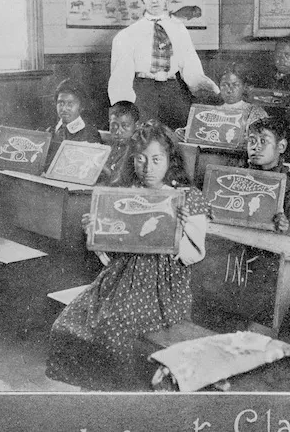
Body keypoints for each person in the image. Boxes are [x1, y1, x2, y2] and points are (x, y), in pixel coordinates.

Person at [46, 120, 211, 390]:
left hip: (163, 289)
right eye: (141, 160)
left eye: (157, 160)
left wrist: (179, 229)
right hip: (120, 280)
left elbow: (194, 255)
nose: (148, 168)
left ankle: (121, 397)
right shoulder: (125, 194)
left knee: (114, 332)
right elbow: (111, 255)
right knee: (67, 324)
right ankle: (97, 390)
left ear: (170, 160)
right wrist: (96, 231)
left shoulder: (186, 198)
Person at [107, 0, 219, 130]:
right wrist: (123, 103)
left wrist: (204, 85)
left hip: (172, 90)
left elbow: (190, 64)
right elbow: (121, 76)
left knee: (180, 131)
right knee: (144, 133)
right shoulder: (128, 35)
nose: (154, 0)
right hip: (143, 91)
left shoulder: (178, 28)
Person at [246, 116, 290, 240]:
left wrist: (286, 227)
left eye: (263, 141)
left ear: (281, 146)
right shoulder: (239, 175)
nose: (256, 147)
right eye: (252, 140)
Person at [176, 62, 268, 141]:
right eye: (224, 85)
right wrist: (184, 132)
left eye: (235, 85)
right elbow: (196, 129)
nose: (229, 90)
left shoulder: (254, 111)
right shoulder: (212, 110)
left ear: (244, 87)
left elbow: (262, 137)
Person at [45, 78, 102, 167]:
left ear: (81, 106)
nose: (64, 109)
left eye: (70, 104)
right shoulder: (50, 131)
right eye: (61, 103)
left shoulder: (90, 134)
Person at [97, 100, 140, 186]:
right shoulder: (108, 146)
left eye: (125, 126)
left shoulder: (135, 151)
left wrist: (101, 168)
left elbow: (119, 182)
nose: (118, 132)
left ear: (136, 126)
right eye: (114, 126)